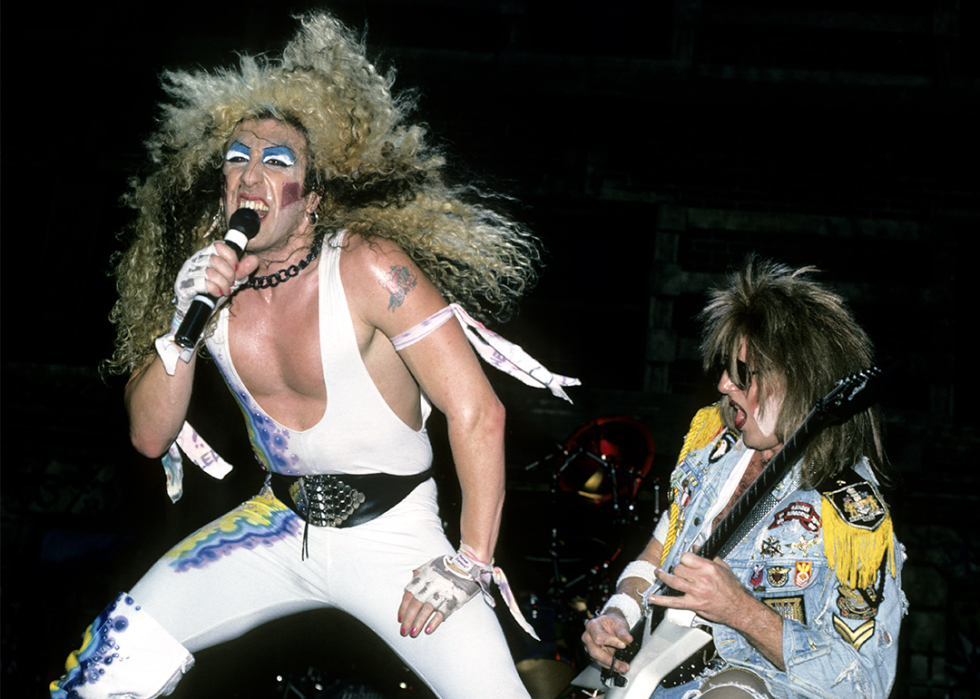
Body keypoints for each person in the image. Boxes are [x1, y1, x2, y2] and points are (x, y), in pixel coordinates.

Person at [52, 12, 579, 699]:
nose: (250, 174)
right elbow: (149, 437)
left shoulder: (367, 267)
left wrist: (470, 562)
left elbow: (477, 410)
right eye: (237, 157)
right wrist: (181, 328)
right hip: (273, 525)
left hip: (396, 539)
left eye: (278, 162)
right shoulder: (204, 284)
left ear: (311, 202)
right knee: (101, 670)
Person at [582, 257, 905, 698]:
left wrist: (740, 611)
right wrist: (620, 613)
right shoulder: (712, 448)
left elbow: (864, 681)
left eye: (741, 373)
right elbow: (662, 550)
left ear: (797, 382)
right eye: (725, 368)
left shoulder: (853, 518)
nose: (722, 385)